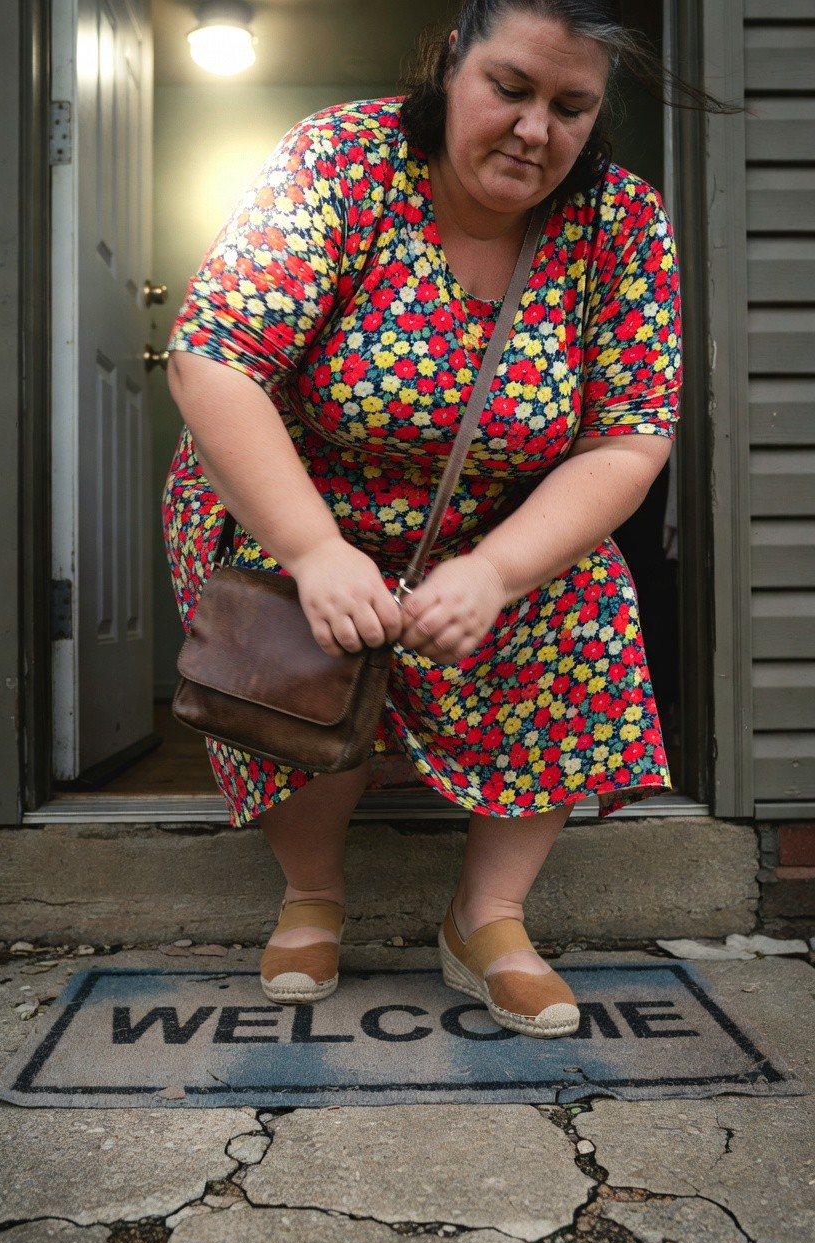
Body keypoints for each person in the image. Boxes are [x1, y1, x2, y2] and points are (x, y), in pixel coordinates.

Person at [164, 0, 682, 1039]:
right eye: (510, 88)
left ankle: (488, 918)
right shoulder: (340, 160)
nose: (534, 130)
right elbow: (213, 357)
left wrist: (495, 571)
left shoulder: (621, 221)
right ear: (453, 63)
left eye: (570, 107)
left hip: (491, 528)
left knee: (586, 593)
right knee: (290, 612)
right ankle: (312, 893)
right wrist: (315, 549)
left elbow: (630, 437)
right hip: (304, 499)